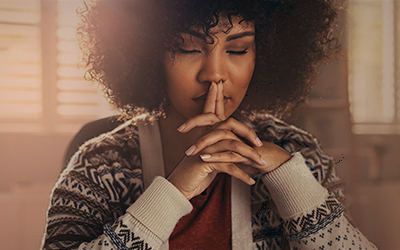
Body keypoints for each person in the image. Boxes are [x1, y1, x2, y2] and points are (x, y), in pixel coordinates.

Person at [42, 0, 377, 249]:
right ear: (147, 52)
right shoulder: (99, 166)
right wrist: (174, 192)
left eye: (238, 49)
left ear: (263, 55)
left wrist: (288, 177)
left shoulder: (297, 152)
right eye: (188, 48)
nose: (214, 73)